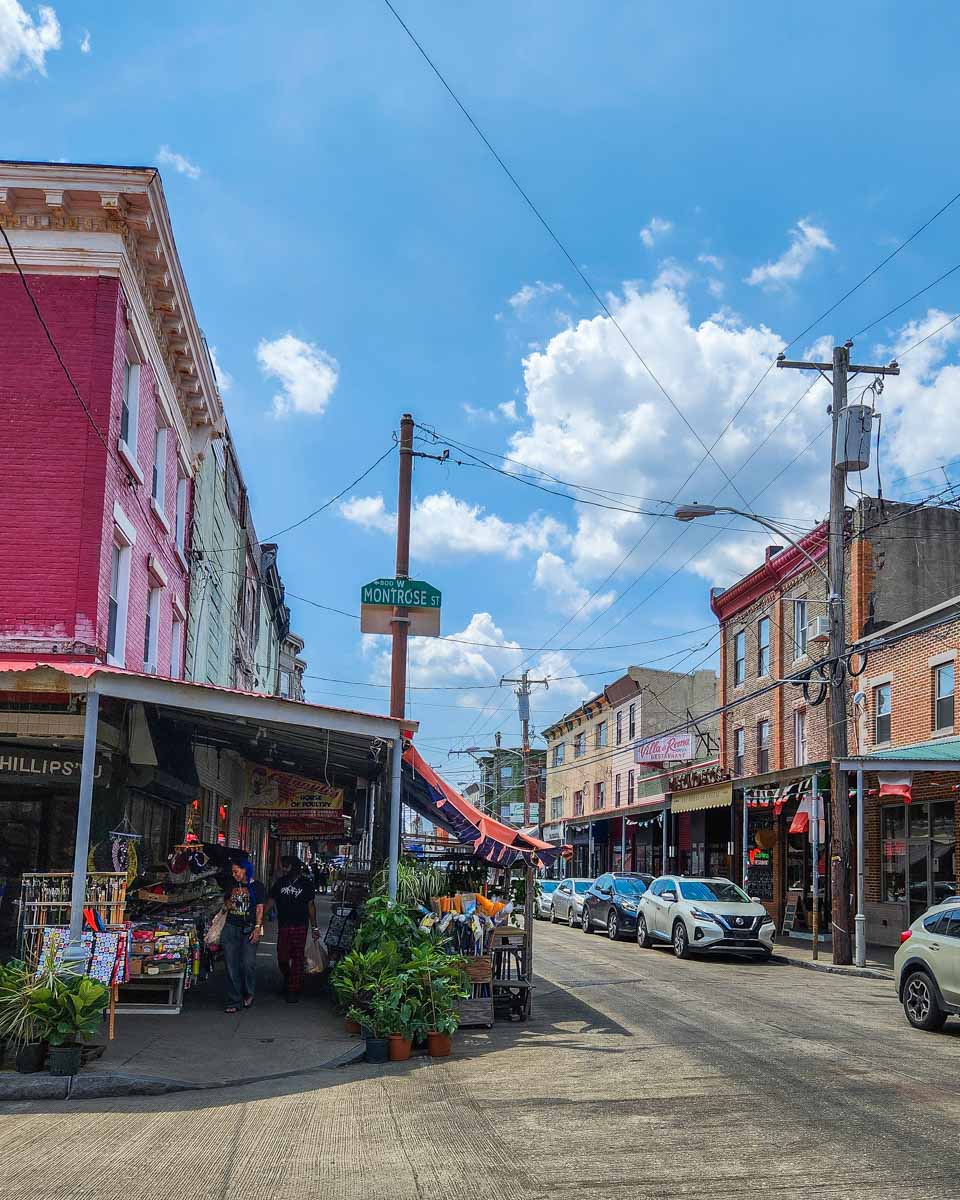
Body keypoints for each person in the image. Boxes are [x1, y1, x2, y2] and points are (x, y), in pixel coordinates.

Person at [265, 856, 319, 1003]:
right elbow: (271, 901)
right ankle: (289, 979)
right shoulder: (280, 883)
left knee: (297, 958)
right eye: (283, 866)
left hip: (301, 925)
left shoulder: (306, 884)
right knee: (282, 957)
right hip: (284, 925)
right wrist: (259, 918)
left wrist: (314, 927)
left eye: (286, 866)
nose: (284, 869)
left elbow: (311, 906)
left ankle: (293, 989)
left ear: (294, 866)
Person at [221, 859, 265, 1014]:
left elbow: (260, 908)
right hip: (231, 927)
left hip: (249, 929)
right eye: (232, 872)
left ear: (245, 870)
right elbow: (225, 905)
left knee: (248, 964)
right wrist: (230, 901)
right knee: (231, 965)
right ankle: (234, 999)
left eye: (236, 871)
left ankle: (249, 993)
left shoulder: (257, 887)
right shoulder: (231, 885)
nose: (234, 875)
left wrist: (257, 928)